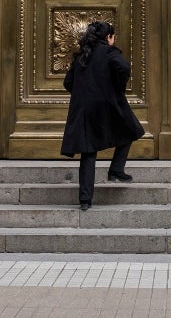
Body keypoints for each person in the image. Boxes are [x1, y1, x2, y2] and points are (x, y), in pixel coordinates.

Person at [60, 21, 144, 210]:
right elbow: (123, 67)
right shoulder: (109, 52)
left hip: (85, 109)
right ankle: (116, 169)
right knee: (130, 130)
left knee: (89, 152)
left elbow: (68, 82)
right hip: (107, 105)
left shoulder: (82, 54)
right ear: (109, 38)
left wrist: (84, 93)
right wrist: (117, 87)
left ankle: (85, 200)